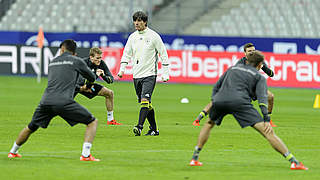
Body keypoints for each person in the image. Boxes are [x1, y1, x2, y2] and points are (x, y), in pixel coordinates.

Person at [189, 51, 308, 170]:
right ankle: (294, 161)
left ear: (247, 61)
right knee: (267, 132)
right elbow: (262, 99)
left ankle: (194, 158)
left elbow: (216, 86)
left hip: (220, 99)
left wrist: (215, 100)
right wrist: (266, 119)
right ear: (260, 64)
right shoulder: (259, 76)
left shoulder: (232, 69)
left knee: (209, 124)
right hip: (240, 103)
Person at [8, 39, 100, 161]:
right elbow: (92, 77)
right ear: (74, 52)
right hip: (63, 102)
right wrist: (87, 87)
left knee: (31, 127)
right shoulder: (76, 61)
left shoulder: (52, 62)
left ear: (62, 49)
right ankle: (86, 155)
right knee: (92, 122)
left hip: (46, 101)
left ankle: (13, 151)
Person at [193, 43, 277, 127]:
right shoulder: (241, 63)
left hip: (252, 87)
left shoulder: (259, 61)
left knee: (270, 96)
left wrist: (263, 67)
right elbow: (234, 76)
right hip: (240, 87)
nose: (252, 52)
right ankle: (198, 119)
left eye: (253, 50)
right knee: (217, 100)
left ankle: (268, 120)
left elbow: (271, 74)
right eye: (249, 51)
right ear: (245, 53)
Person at [117, 11, 169, 136]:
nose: (136, 23)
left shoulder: (154, 36)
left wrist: (165, 73)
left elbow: (163, 53)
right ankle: (154, 129)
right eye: (135, 20)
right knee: (146, 103)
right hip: (136, 75)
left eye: (139, 21)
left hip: (150, 74)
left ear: (145, 22)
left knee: (145, 101)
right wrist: (122, 69)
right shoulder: (132, 37)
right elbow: (126, 53)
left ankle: (139, 126)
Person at [74, 47, 122, 125]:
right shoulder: (83, 63)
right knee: (64, 102)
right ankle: (48, 115)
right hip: (76, 85)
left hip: (89, 86)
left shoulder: (101, 63)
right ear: (91, 57)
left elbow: (111, 80)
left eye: (100, 58)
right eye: (97, 58)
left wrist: (103, 76)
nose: (99, 60)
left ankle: (110, 120)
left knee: (109, 93)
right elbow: (81, 81)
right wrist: (96, 75)